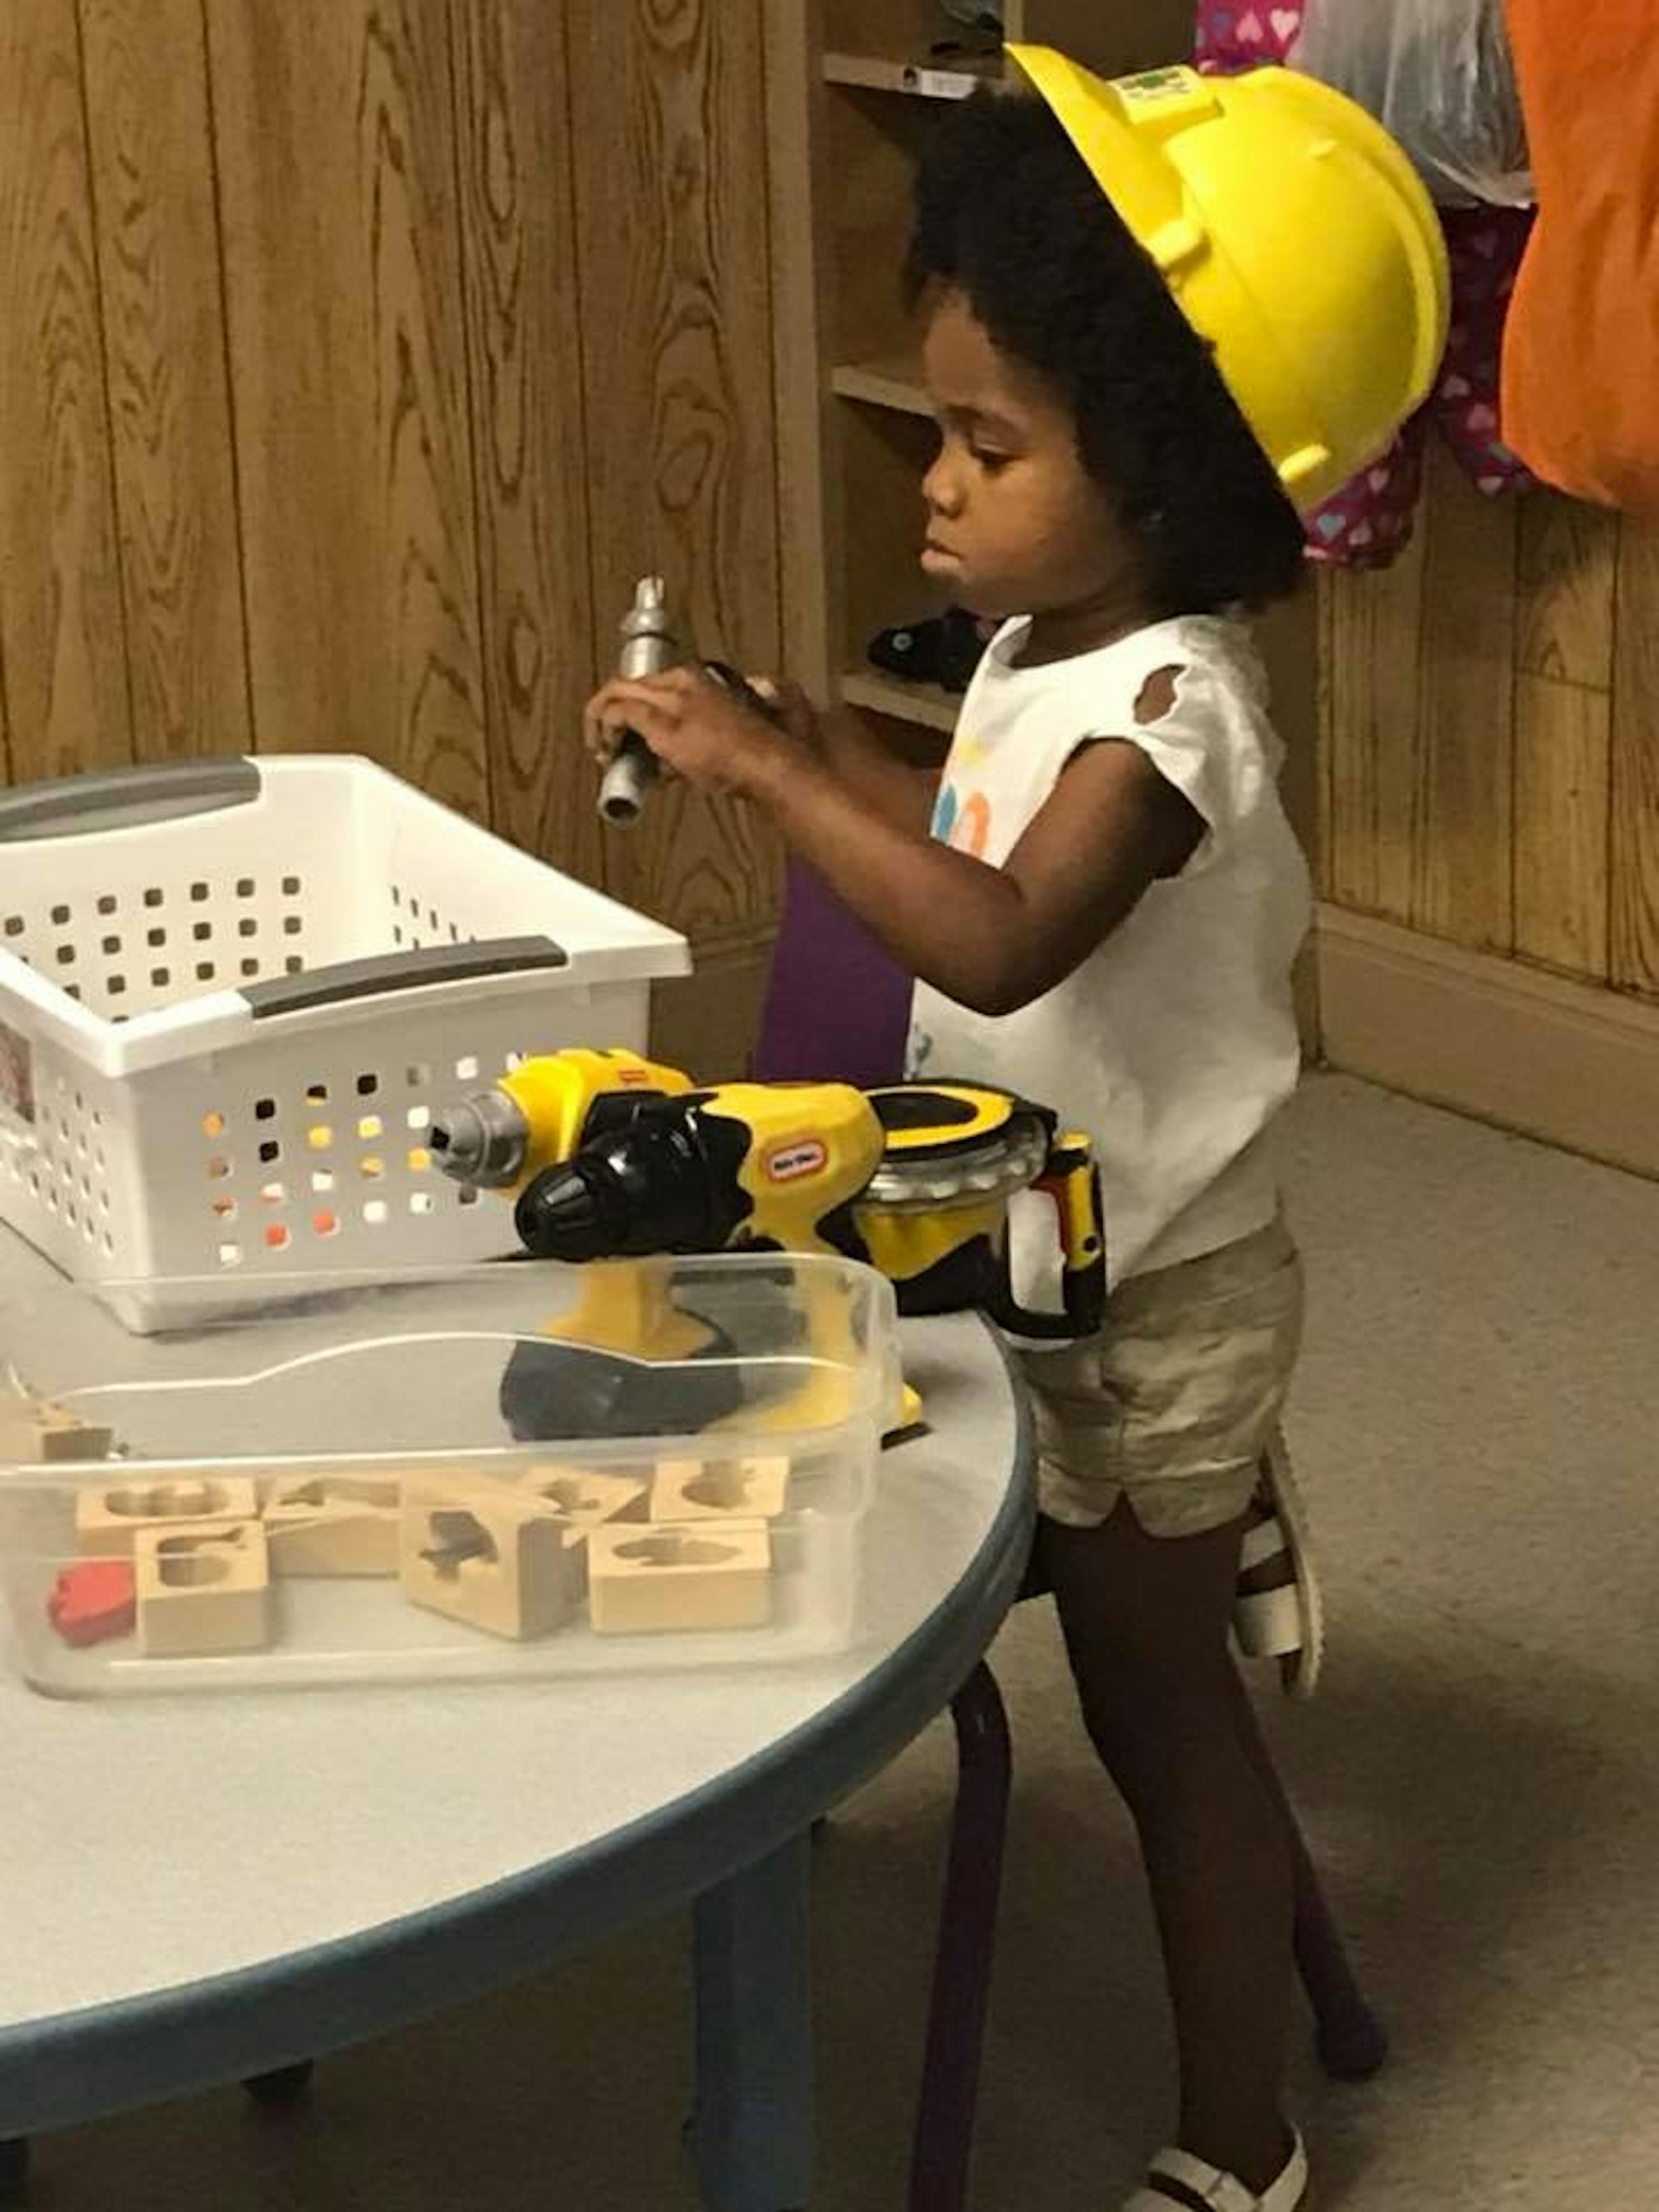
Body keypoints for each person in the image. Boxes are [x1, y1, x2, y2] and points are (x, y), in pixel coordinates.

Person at [587, 80, 1320, 2212]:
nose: (936, 484)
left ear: (1162, 476)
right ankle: (1200, 1520)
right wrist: (809, 750)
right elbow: (970, 839)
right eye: (939, 431)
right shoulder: (1038, 640)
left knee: (1158, 1717)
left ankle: (1252, 2143)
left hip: (1156, 1291)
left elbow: (1004, 936)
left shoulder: (1172, 711)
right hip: (1017, 1230)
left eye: (990, 450)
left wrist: (774, 782)